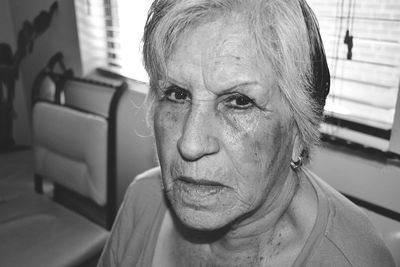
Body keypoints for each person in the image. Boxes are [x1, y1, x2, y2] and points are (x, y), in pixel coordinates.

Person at [98, 0, 396, 266]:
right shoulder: (141, 199)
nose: (190, 143)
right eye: (177, 94)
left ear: (300, 134)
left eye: (239, 102)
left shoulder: (356, 258)